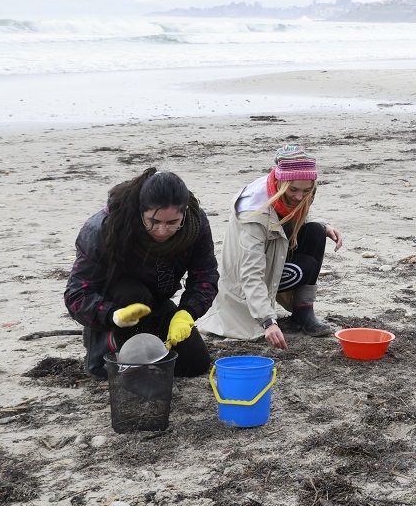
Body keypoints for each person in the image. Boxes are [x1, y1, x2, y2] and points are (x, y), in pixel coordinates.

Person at [65, 169, 218, 379]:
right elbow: (76, 294)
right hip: (117, 303)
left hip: (158, 300)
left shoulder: (195, 224)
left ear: (184, 212)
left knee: (195, 365)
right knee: (130, 370)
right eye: (153, 221)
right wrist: (112, 315)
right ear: (140, 212)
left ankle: (153, 332)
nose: (162, 231)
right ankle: (103, 342)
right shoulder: (103, 228)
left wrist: (187, 313)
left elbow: (205, 275)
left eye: (172, 223)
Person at [196, 146, 344, 349]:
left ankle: (303, 313)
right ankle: (277, 310)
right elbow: (250, 273)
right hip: (246, 282)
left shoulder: (289, 189)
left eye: (306, 190)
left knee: (316, 231)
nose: (300, 197)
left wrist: (323, 224)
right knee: (305, 267)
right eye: (293, 190)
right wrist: (267, 321)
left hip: (275, 257)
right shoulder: (255, 212)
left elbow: (294, 214)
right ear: (281, 182)